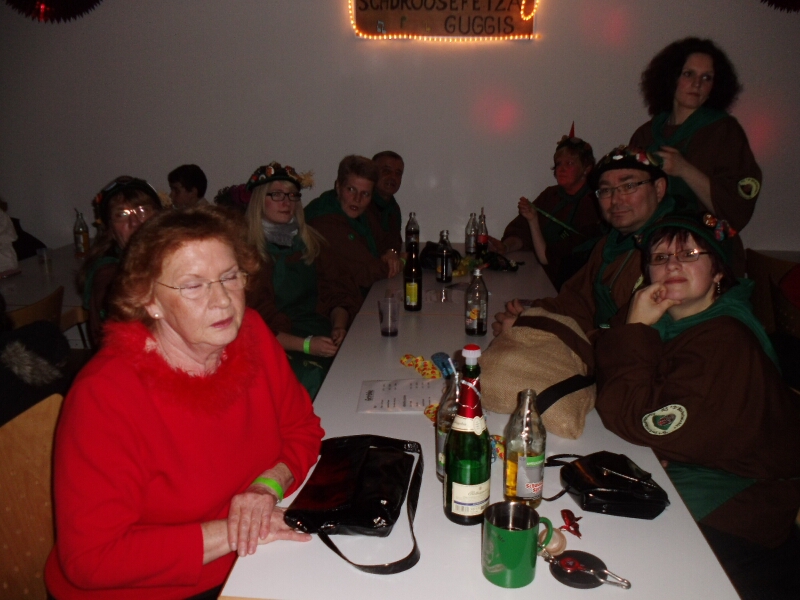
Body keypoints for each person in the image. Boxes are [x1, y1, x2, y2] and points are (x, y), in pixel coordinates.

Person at [45, 205, 324, 600]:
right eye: (193, 286)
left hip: (251, 561)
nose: (223, 301)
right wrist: (235, 530)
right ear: (149, 300)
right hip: (146, 590)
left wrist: (266, 486)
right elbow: (91, 559)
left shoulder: (252, 334)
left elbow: (302, 428)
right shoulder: (105, 396)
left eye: (230, 276)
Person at [594, 213, 800, 600]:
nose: (672, 264)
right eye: (660, 257)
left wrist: (635, 331)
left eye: (689, 254)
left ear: (718, 272)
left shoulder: (725, 339)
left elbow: (637, 419)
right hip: (695, 465)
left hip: (738, 507)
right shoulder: (670, 321)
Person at [493, 145, 675, 338]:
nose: (615, 200)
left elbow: (626, 337)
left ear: (658, 189)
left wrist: (537, 330)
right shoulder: (608, 244)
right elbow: (574, 302)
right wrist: (528, 315)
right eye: (606, 190)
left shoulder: (671, 251)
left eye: (629, 186)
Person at [630, 37, 761, 274]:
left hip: (706, 256)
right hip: (651, 251)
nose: (697, 84)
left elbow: (737, 207)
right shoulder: (646, 134)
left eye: (706, 77)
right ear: (671, 78)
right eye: (688, 74)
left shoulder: (724, 131)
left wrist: (684, 170)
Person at [244, 162, 361, 399]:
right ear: (259, 201)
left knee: (358, 362)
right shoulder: (247, 252)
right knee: (314, 377)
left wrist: (339, 325)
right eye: (277, 195)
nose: (286, 202)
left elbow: (336, 291)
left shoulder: (311, 242)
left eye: (292, 195)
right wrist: (307, 345)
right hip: (277, 343)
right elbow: (256, 324)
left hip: (317, 331)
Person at [492, 135, 605, 290]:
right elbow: (522, 229)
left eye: (569, 163)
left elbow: (558, 256)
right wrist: (506, 247)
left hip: (570, 285)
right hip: (539, 274)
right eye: (558, 164)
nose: (561, 169)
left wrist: (533, 221)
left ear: (587, 168)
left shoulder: (593, 203)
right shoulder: (551, 195)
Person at [78, 176, 163, 348]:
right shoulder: (109, 274)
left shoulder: (165, 257)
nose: (134, 222)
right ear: (110, 228)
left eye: (142, 210)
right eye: (121, 215)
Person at [304, 155, 402, 297]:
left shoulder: (362, 214)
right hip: (327, 303)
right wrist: (402, 261)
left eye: (365, 194)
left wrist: (391, 252)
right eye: (351, 189)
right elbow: (367, 272)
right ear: (338, 187)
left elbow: (385, 242)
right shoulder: (325, 220)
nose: (357, 199)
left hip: (351, 295)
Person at [370, 150, 405, 253]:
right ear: (372, 173)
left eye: (398, 173)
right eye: (386, 171)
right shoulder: (361, 204)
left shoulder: (393, 208)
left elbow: (394, 246)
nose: (393, 177)